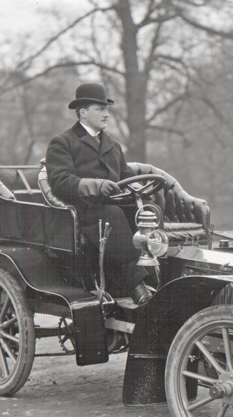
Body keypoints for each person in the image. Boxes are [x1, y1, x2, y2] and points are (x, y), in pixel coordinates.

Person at [45, 83, 152, 305]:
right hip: (82, 213)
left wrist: (143, 189)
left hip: (110, 210)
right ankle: (137, 285)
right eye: (100, 109)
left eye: (107, 109)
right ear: (83, 112)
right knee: (113, 214)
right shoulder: (63, 142)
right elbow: (59, 182)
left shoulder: (113, 145)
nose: (106, 114)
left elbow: (127, 176)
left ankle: (159, 276)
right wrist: (96, 185)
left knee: (148, 212)